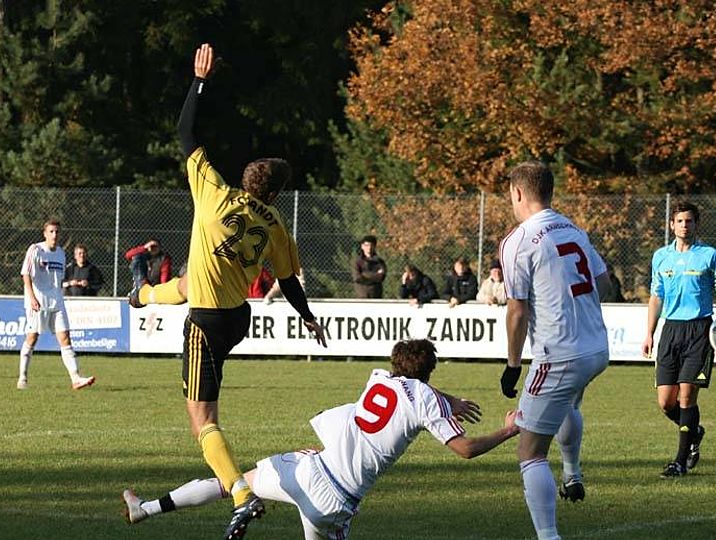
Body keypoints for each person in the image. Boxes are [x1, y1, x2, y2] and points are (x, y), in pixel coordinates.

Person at [126, 43, 327, 540]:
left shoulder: (214, 193)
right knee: (190, 282)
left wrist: (200, 82)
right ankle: (142, 295)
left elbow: (184, 132)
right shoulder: (277, 223)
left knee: (202, 423)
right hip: (236, 317)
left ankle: (240, 494)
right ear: (274, 193)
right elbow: (287, 280)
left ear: (246, 178)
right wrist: (306, 316)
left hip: (208, 323)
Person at [121, 339, 518, 539]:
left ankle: (146, 508)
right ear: (430, 373)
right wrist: (508, 429)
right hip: (335, 502)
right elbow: (464, 449)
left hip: (307, 471)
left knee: (230, 483)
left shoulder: (379, 378)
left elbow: (409, 388)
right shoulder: (426, 399)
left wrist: (448, 400)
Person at [498, 161, 611, 540]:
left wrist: (513, 365)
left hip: (560, 355)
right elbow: (604, 283)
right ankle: (573, 474)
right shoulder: (573, 229)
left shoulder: (518, 240)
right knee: (567, 405)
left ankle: (548, 536)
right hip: (596, 347)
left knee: (529, 451)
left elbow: (517, 311)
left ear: (517, 192)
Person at [641, 200, 716, 477]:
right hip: (671, 331)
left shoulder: (709, 255)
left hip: (699, 331)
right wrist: (649, 333)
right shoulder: (661, 256)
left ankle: (679, 462)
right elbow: (656, 296)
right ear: (672, 225)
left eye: (689, 221)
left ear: (696, 224)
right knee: (665, 402)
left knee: (686, 394)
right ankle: (694, 431)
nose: (684, 225)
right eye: (679, 221)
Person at [17, 220, 95, 391]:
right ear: (45, 233)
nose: (54, 235)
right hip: (38, 302)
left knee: (65, 338)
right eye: (51, 231)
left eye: (57, 232)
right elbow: (26, 274)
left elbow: (58, 280)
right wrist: (31, 298)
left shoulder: (61, 253)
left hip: (57, 302)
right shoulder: (35, 249)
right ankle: (22, 377)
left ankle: (76, 378)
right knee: (32, 338)